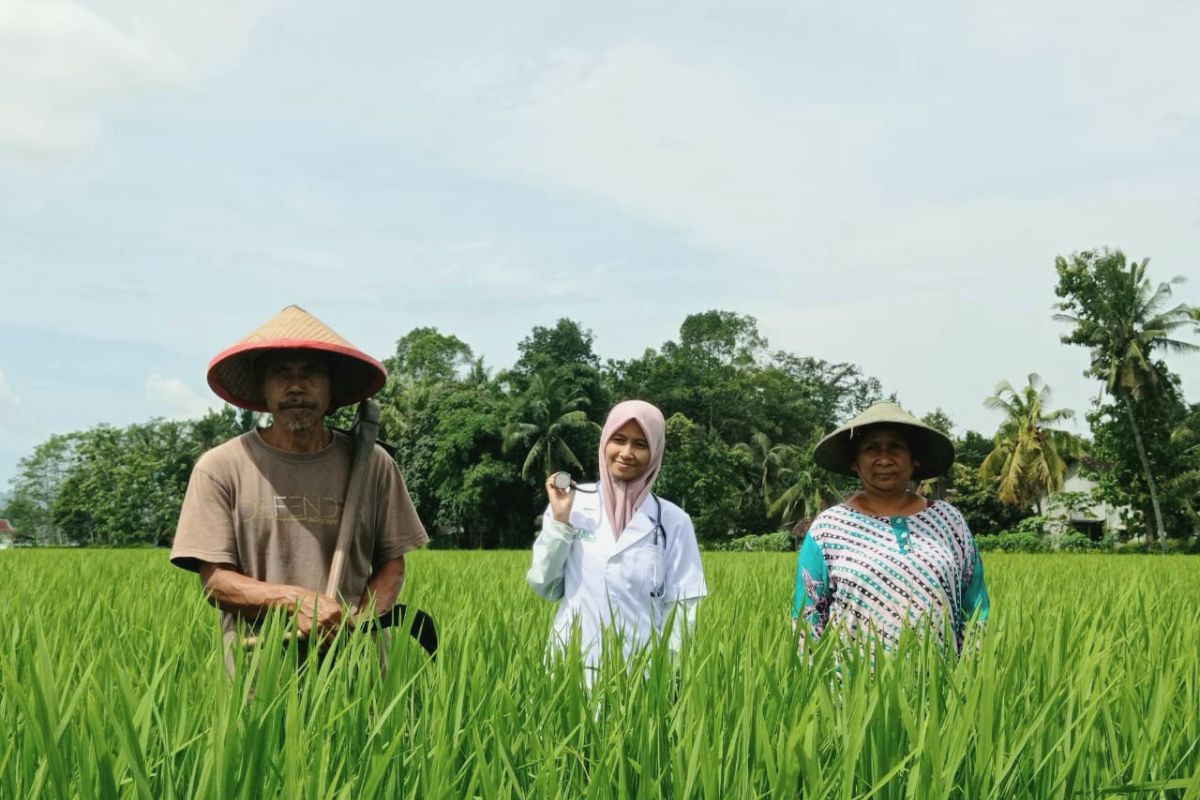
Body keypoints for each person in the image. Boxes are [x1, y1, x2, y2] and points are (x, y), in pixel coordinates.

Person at [171, 305, 429, 674]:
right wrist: (294, 602)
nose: (296, 386)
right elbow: (216, 583)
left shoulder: (373, 465)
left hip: (357, 672)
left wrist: (355, 621)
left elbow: (392, 564)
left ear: (331, 386)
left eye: (311, 372)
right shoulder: (221, 467)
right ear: (262, 386)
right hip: (257, 672)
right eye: (281, 373)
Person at [526, 400, 708, 673]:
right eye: (619, 439)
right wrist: (561, 522)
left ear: (656, 451)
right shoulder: (573, 506)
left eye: (640, 444)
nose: (626, 452)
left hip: (642, 674)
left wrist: (665, 676)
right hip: (571, 669)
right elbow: (545, 586)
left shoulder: (673, 522)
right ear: (604, 442)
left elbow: (683, 610)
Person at [793, 401, 989, 653]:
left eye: (895, 446)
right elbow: (807, 619)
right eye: (871, 448)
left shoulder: (950, 521)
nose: (884, 458)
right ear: (855, 462)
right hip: (852, 689)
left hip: (942, 685)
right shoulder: (828, 528)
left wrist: (973, 681)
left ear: (914, 458)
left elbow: (975, 609)